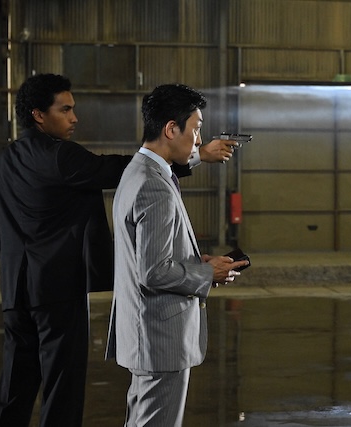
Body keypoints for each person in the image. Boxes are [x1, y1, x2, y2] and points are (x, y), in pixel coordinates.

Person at [0, 74, 239, 427]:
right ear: (38, 115)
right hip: (57, 288)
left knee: (14, 385)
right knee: (62, 386)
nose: (74, 118)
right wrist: (196, 156)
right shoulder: (60, 156)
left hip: (15, 289)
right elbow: (120, 169)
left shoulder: (4, 161)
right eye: (65, 110)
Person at [105, 83, 249, 427]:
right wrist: (208, 274)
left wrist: (198, 262)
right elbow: (154, 271)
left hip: (146, 335)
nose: (199, 140)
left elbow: (147, 257)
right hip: (160, 339)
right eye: (196, 129)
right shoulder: (154, 185)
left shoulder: (139, 171)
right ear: (171, 129)